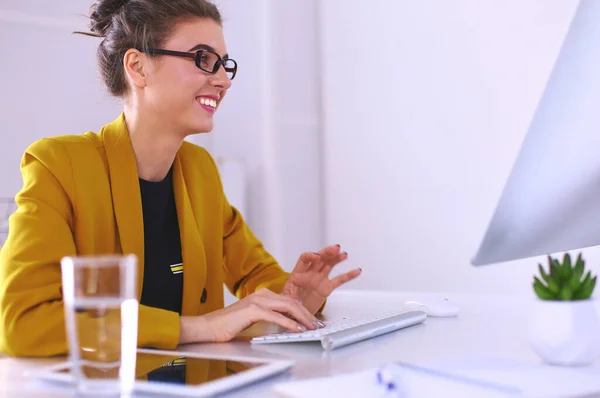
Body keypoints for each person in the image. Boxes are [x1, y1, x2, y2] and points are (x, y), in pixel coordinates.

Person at [0, 0, 362, 357]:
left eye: (224, 65)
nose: (222, 81)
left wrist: (295, 299)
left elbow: (255, 272)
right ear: (138, 67)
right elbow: (23, 322)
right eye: (203, 59)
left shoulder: (199, 169)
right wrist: (199, 327)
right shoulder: (58, 165)